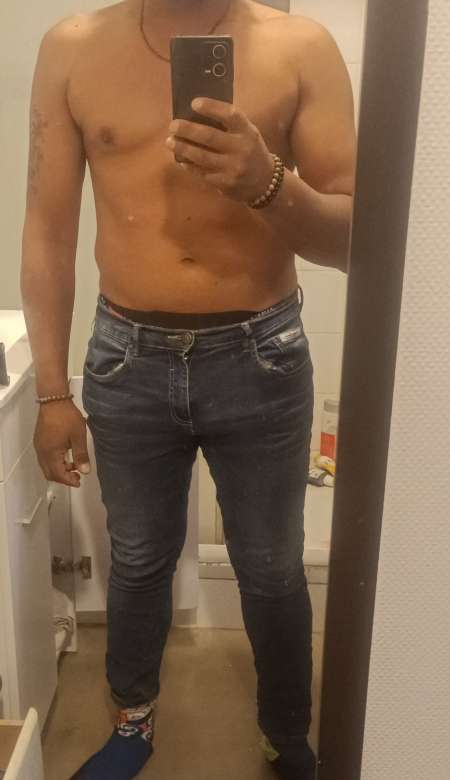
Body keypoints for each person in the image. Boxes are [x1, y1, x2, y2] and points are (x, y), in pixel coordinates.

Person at [21, 1, 356, 778]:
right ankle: (132, 722)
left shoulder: (300, 47)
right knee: (139, 558)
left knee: (270, 566)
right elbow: (46, 231)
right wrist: (51, 393)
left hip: (261, 352)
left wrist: (267, 184)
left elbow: (354, 237)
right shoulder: (73, 49)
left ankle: (285, 732)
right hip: (124, 356)